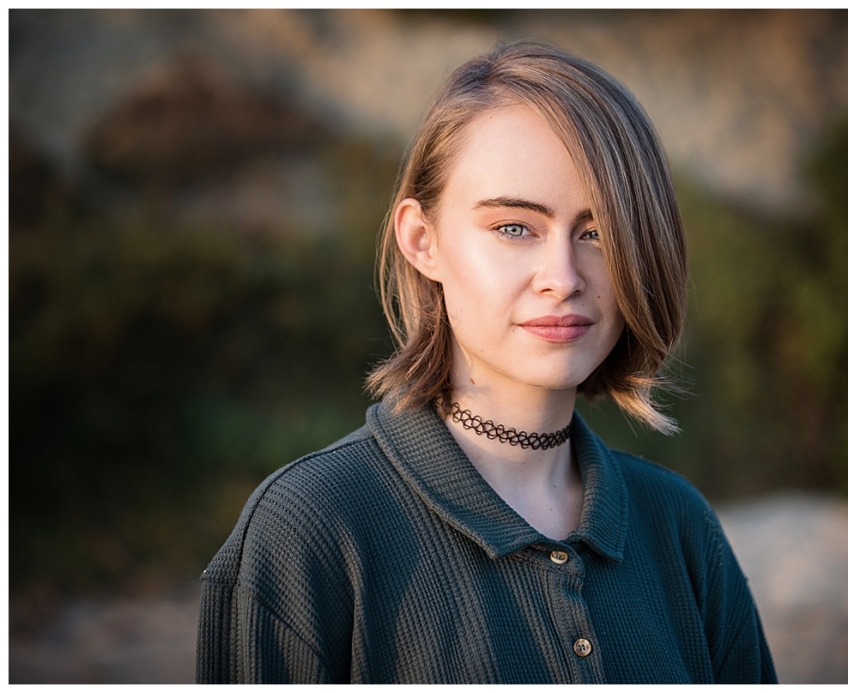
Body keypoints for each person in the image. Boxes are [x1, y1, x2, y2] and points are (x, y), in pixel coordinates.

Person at [196, 41, 776, 684]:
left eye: (599, 233)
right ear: (424, 242)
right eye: (513, 228)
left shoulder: (680, 524)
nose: (562, 278)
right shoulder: (309, 527)